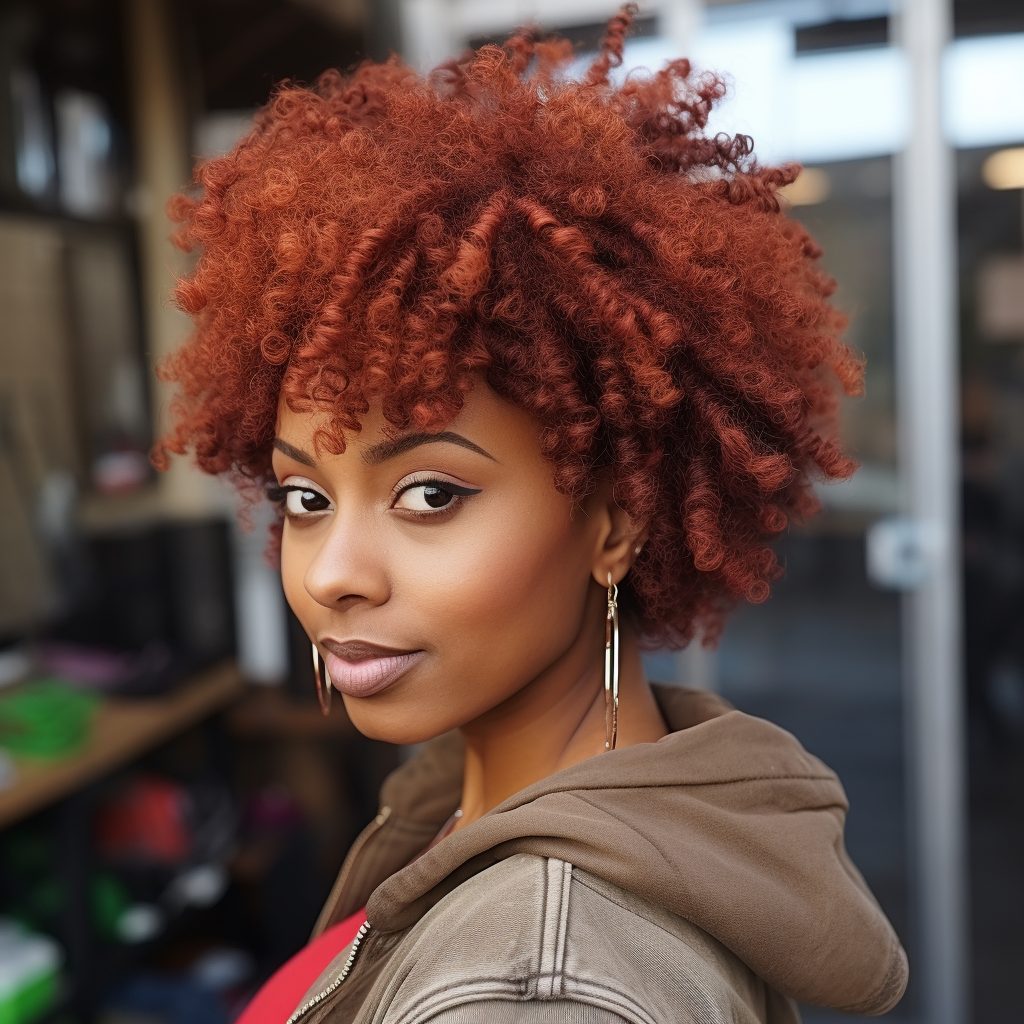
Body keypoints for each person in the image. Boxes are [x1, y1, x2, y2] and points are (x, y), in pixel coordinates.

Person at [151, 4, 909, 1021]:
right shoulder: (487, 809)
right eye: (305, 497)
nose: (332, 571)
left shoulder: (533, 990)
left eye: (429, 493)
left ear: (616, 523)